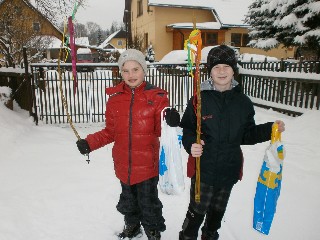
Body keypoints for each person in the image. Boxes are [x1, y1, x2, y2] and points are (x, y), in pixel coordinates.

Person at [178, 45, 285, 240]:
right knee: (196, 213)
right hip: (204, 170)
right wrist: (191, 142)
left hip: (229, 169)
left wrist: (269, 129)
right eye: (216, 67)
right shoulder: (199, 100)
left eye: (226, 67)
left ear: (233, 70)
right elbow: (187, 129)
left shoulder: (243, 102)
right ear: (210, 71)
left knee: (216, 214)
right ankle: (187, 236)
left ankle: (210, 235)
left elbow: (247, 135)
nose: (221, 71)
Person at [76, 49, 180, 240]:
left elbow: (161, 130)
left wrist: (170, 119)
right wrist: (89, 143)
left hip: (147, 165)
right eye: (126, 70)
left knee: (149, 203)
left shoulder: (157, 97)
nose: (131, 75)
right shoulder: (115, 100)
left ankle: (152, 230)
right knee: (128, 201)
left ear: (144, 70)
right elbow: (110, 132)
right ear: (120, 72)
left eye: (135, 69)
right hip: (124, 164)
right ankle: (132, 226)